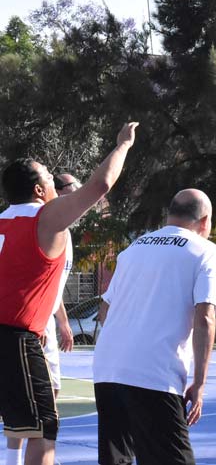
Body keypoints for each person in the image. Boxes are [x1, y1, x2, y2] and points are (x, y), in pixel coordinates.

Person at [0, 122, 137, 465]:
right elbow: (100, 185)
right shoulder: (44, 219)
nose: (54, 184)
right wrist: (122, 145)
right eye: (49, 178)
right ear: (38, 190)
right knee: (44, 431)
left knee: (22, 423)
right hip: (16, 338)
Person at [92, 188, 216, 465]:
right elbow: (205, 318)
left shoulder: (135, 248)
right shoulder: (205, 251)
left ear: (170, 214)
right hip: (154, 373)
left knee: (116, 459)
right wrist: (200, 383)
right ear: (204, 221)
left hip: (108, 368)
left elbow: (105, 309)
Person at [5, 175, 80, 465]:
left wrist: (62, 322)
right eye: (69, 192)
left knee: (50, 392)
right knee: (38, 415)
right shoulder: (40, 225)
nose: (73, 198)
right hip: (28, 322)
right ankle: (14, 457)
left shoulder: (61, 231)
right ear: (49, 193)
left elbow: (51, 285)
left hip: (41, 318)